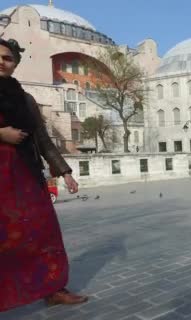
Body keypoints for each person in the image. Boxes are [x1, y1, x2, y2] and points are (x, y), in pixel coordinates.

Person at [0, 38, 88, 311]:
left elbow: (42, 138)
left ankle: (53, 288)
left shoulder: (25, 99)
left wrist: (65, 172)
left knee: (44, 231)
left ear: (15, 63)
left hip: (25, 173)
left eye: (7, 58)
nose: (2, 61)